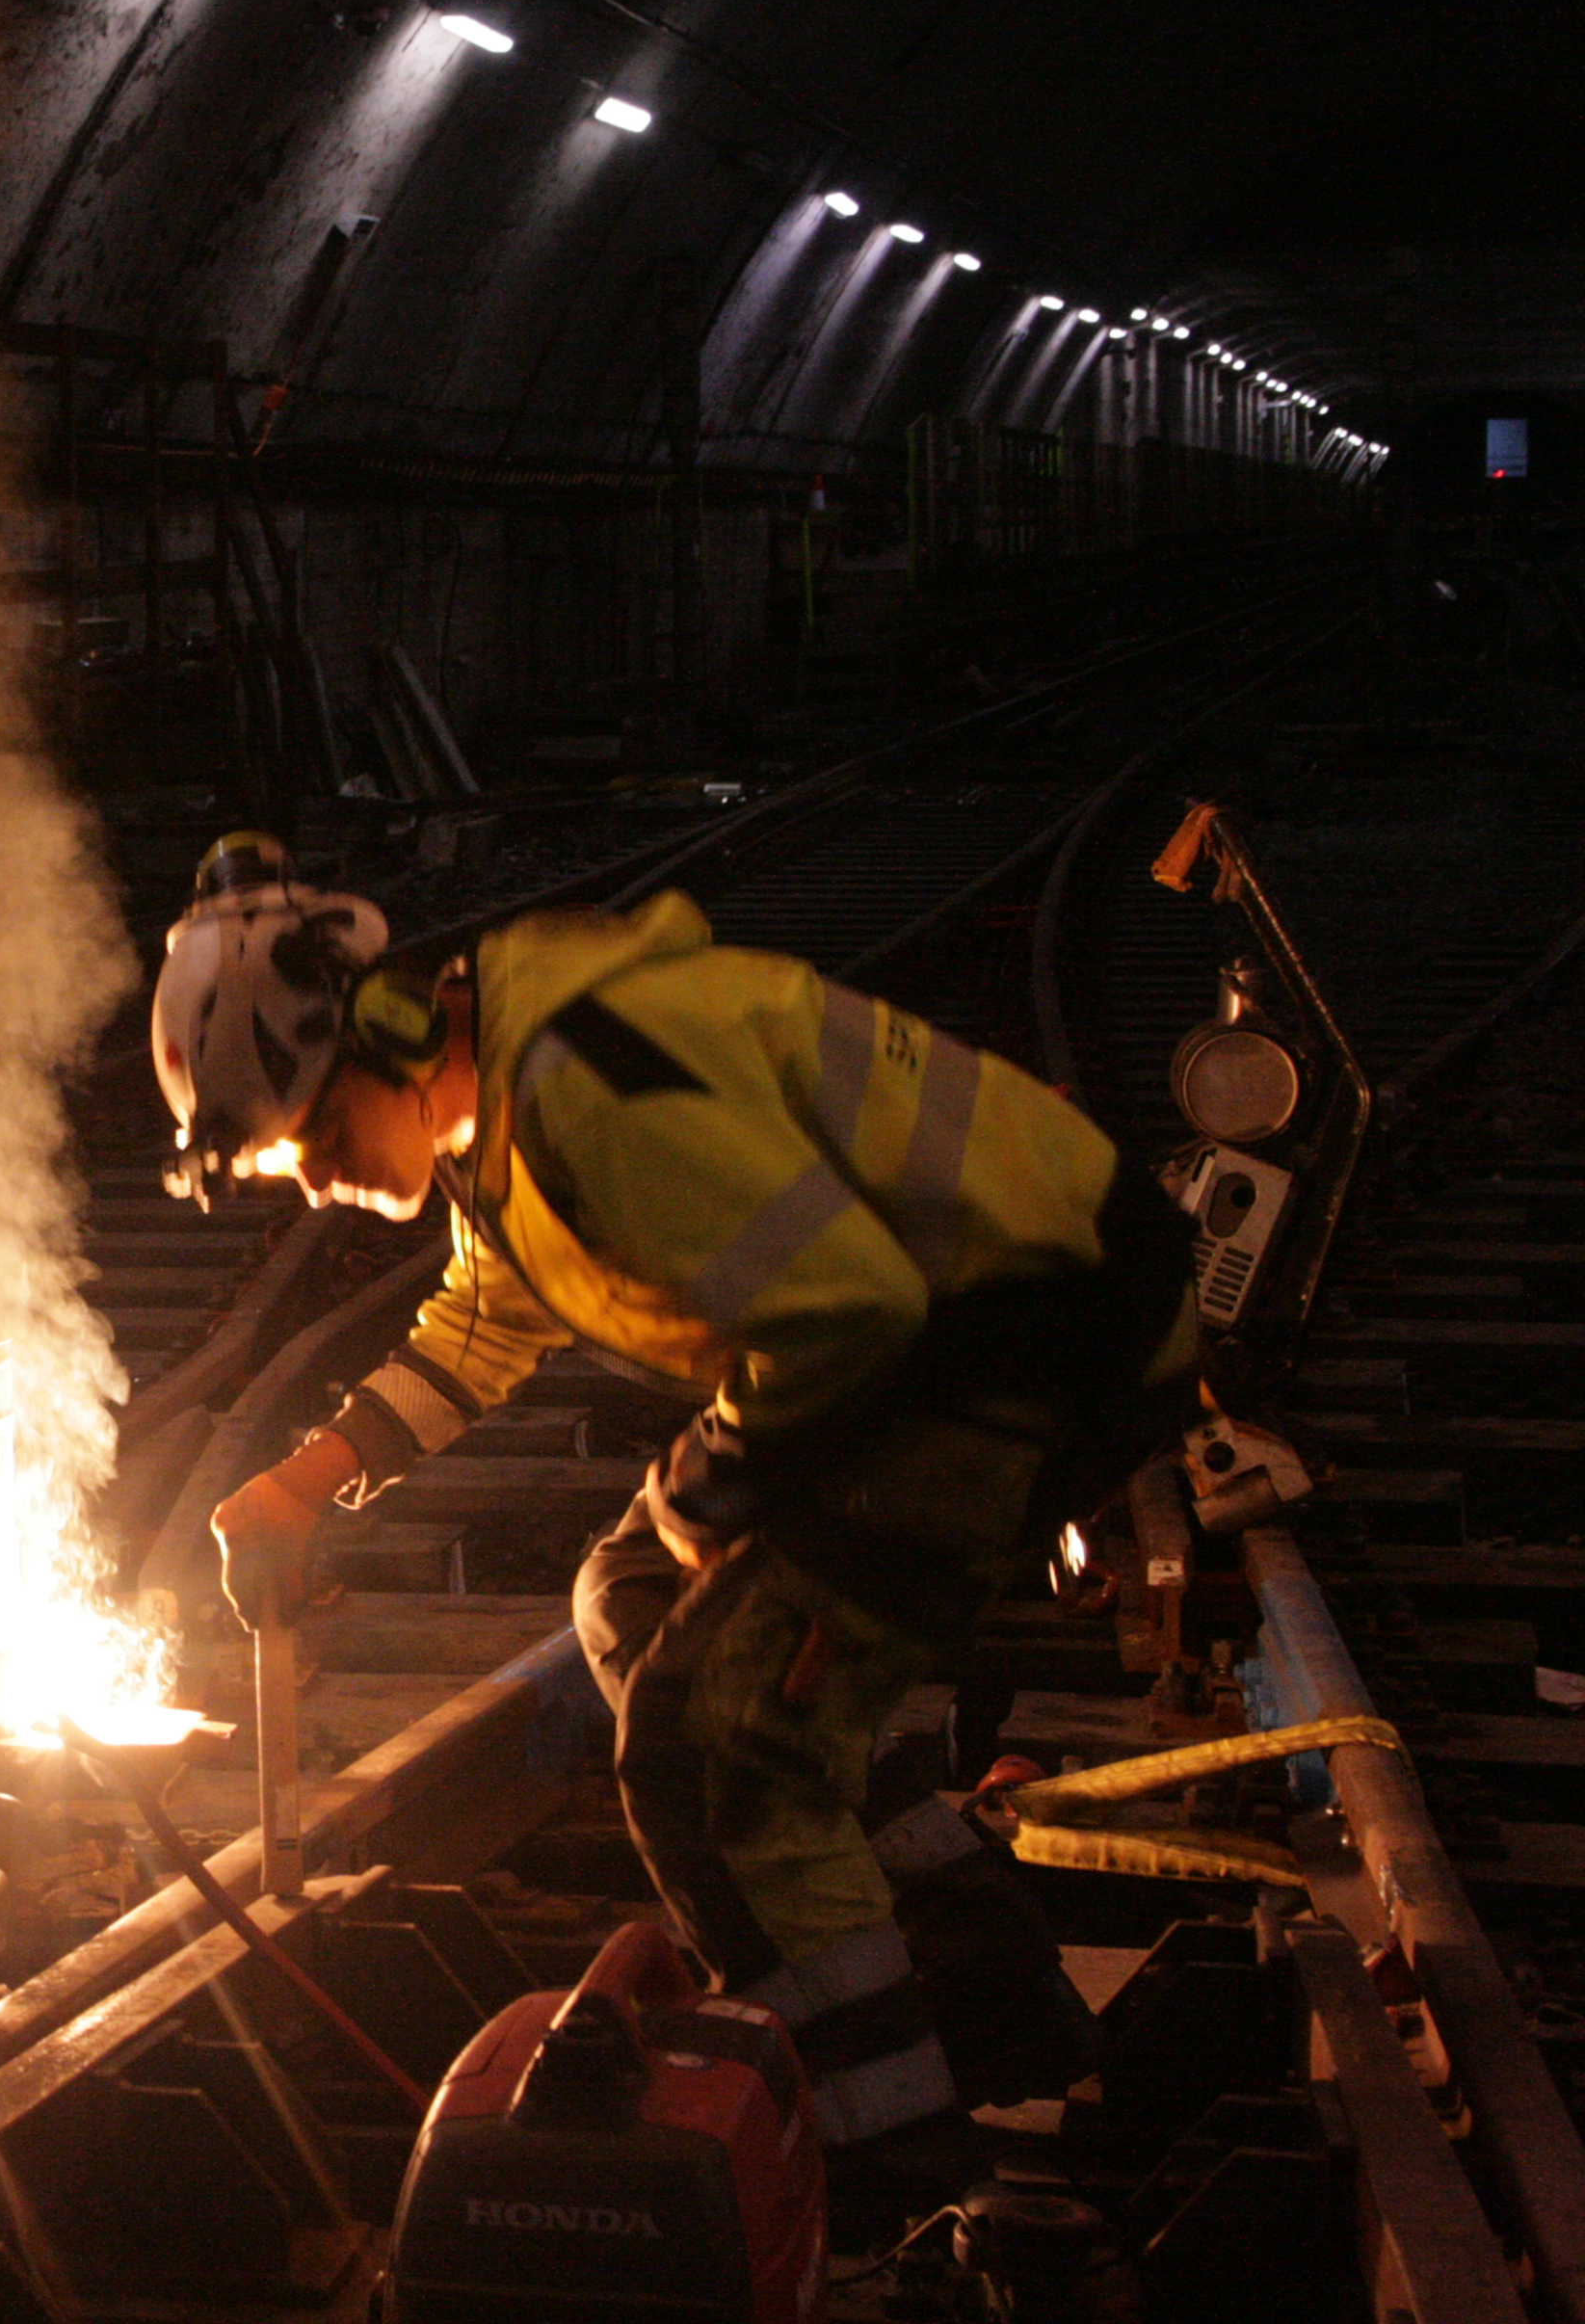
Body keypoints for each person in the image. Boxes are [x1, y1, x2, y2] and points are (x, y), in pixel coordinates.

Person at [155, 832, 1196, 2168]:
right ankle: (994, 2005)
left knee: (710, 1746)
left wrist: (711, 1489)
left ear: (391, 1038)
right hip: (929, 1351)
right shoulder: (495, 1116)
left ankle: (896, 2159)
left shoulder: (591, 1083)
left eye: (311, 1138)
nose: (312, 1180)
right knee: (637, 1594)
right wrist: (305, 1483)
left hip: (1026, 1346)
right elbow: (488, 1321)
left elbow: (847, 1307)